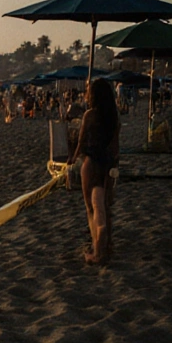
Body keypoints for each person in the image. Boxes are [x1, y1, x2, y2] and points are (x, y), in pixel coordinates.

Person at [67, 78, 120, 265]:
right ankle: (107, 245)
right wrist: (114, 166)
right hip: (107, 164)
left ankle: (97, 250)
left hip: (90, 163)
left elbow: (80, 142)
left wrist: (72, 160)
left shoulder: (89, 115)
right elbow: (115, 146)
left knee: (91, 208)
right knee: (104, 206)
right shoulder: (114, 117)